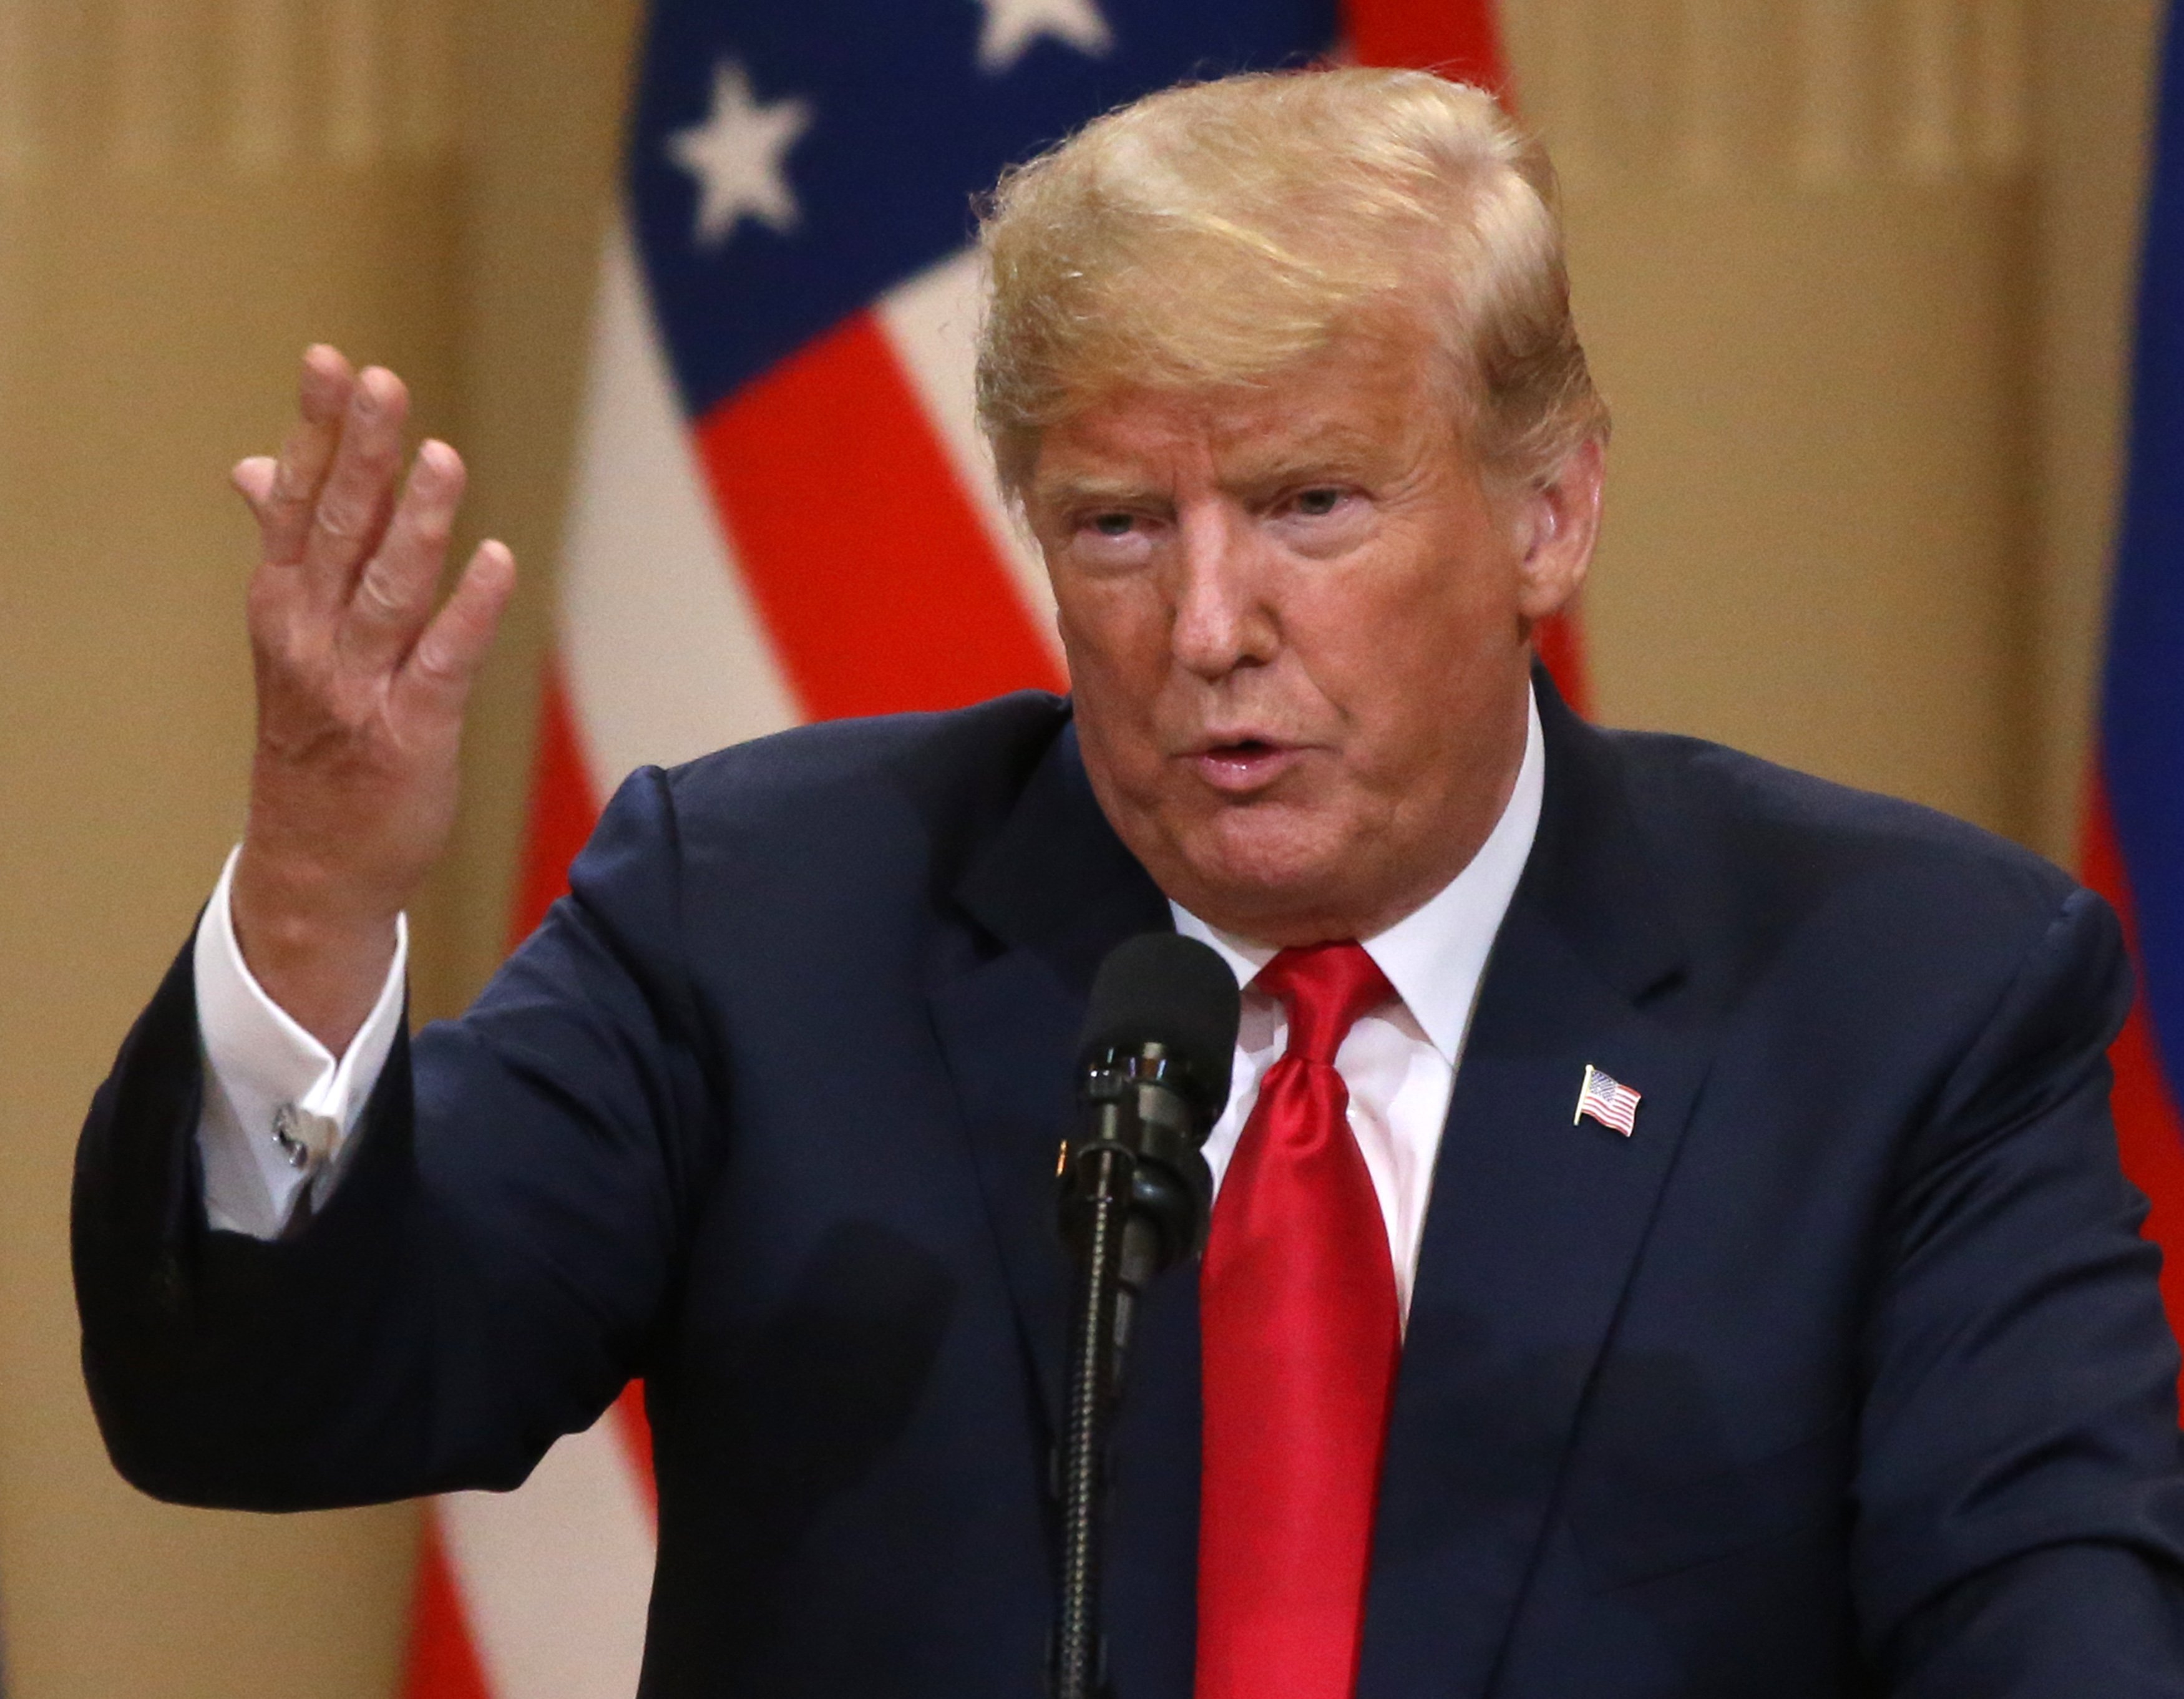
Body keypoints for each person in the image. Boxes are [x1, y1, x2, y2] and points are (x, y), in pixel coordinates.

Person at [74, 67, 2184, 1699]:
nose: (1204, 624)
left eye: (1308, 504)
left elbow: (2059, 1625)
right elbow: (264, 1398)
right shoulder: (766, 920)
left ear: (1549, 512)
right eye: (1110, 527)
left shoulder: (1898, 1000)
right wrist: (320, 908)